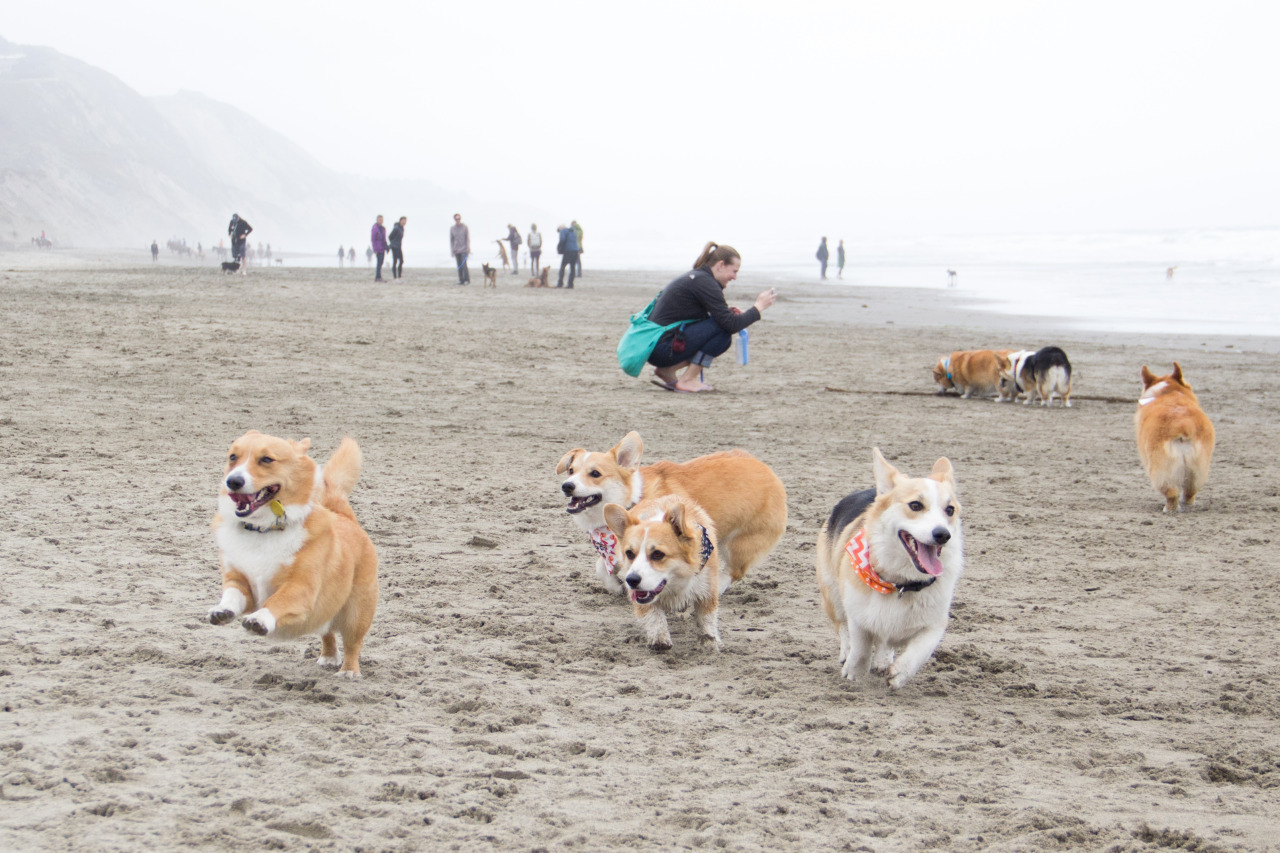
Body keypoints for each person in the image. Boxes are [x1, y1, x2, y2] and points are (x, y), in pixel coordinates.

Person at [646, 241, 776, 393]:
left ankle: (667, 370)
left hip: (656, 346)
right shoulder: (705, 282)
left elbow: (697, 316)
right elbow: (730, 325)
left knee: (721, 325)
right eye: (734, 271)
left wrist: (726, 312)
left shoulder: (698, 278)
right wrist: (758, 307)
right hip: (662, 349)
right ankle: (687, 380)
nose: (735, 277)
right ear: (721, 265)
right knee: (723, 333)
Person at [556, 223, 580, 288]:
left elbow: (562, 240)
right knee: (572, 268)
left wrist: (559, 248)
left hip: (568, 251)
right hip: (575, 251)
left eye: (559, 230)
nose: (559, 232)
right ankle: (570, 284)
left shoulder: (563, 231)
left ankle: (560, 283)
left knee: (562, 267)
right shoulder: (572, 231)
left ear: (560, 228)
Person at [450, 213, 471, 285]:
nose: (457, 220)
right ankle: (461, 279)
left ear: (460, 219)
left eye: (458, 218)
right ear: (454, 219)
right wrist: (452, 251)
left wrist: (468, 248)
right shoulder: (452, 228)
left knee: (464, 265)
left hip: (464, 249)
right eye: (456, 219)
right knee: (459, 265)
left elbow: (467, 238)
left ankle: (467, 280)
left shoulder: (464, 227)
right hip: (456, 249)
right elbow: (451, 240)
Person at [371, 215, 389, 281]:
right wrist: (375, 249)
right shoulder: (375, 228)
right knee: (379, 263)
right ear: (377, 220)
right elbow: (373, 239)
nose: (381, 221)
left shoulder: (383, 228)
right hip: (378, 248)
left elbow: (384, 239)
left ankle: (379, 276)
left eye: (382, 220)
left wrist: (386, 247)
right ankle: (377, 277)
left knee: (381, 262)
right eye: (379, 220)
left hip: (382, 248)